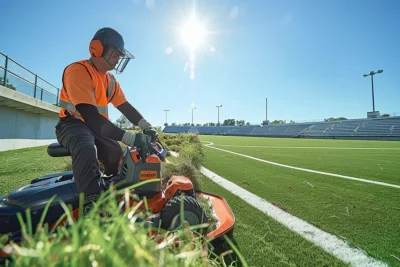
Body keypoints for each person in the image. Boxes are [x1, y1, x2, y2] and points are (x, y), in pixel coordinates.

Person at [55, 27, 157, 213]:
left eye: (119, 55)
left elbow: (125, 107)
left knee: (116, 153)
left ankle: (111, 190)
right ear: (97, 48)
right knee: (86, 147)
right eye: (115, 54)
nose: (118, 59)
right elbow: (91, 117)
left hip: (95, 127)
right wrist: (131, 137)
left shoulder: (110, 80)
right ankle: (91, 205)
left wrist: (146, 127)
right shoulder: (78, 70)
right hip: (72, 125)